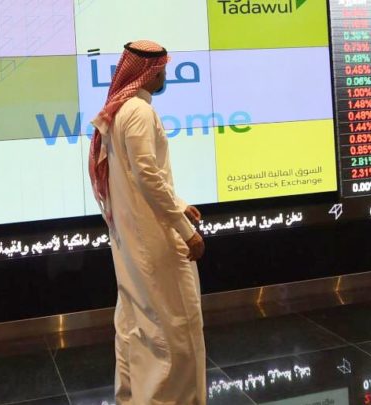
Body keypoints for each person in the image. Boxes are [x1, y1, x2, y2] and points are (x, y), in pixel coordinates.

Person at [88, 40, 207, 404]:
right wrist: (186, 231)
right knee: (175, 330)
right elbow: (146, 175)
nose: (165, 76)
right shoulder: (138, 111)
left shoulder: (121, 110)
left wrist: (179, 204)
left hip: (132, 237)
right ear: (151, 72)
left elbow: (132, 175)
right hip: (153, 240)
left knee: (134, 326)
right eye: (162, 70)